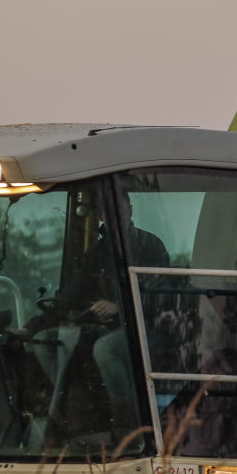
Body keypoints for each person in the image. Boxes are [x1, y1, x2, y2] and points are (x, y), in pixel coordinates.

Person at [90, 188, 169, 448]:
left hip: (149, 328)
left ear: (130, 208)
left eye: (119, 207)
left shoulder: (150, 246)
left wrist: (117, 307)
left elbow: (160, 297)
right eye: (106, 209)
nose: (112, 214)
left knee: (105, 349)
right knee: (48, 341)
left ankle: (128, 424)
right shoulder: (96, 251)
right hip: (107, 327)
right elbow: (73, 290)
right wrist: (32, 327)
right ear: (100, 215)